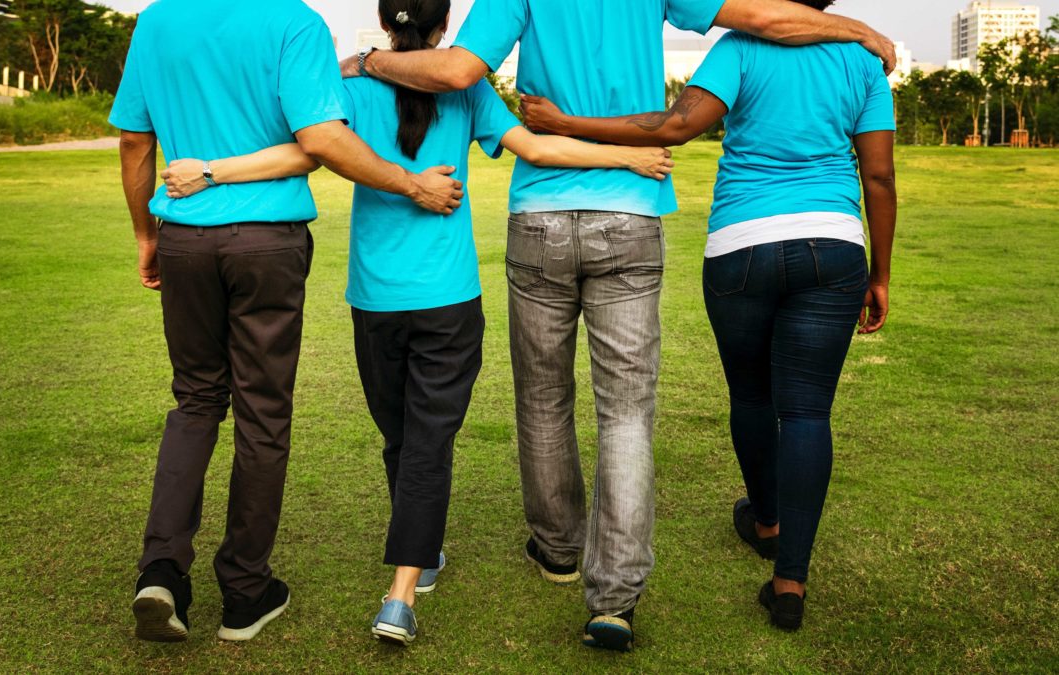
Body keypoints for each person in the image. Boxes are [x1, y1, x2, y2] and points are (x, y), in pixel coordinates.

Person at [340, 0, 896, 652]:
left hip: (541, 217)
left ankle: (557, 549)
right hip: (630, 217)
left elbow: (460, 68)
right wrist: (855, 27)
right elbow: (767, 19)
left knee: (543, 398)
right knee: (627, 413)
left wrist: (373, 59)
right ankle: (615, 597)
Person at [158, 0, 673, 647]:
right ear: (442, 30)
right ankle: (405, 584)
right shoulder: (470, 92)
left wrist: (210, 171)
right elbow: (535, 147)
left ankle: (417, 564)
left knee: (402, 436)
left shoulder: (352, 86)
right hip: (448, 297)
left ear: (385, 22)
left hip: (375, 299)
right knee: (424, 442)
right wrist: (627, 160)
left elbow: (305, 146)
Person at [520, 0, 897, 632]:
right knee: (807, 411)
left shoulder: (740, 49)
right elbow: (879, 176)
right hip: (834, 243)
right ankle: (789, 581)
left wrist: (567, 122)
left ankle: (767, 521)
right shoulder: (863, 61)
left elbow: (672, 127)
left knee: (752, 396)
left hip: (741, 245)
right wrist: (880, 273)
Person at [111, 0, 464, 644]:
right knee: (262, 413)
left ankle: (161, 570)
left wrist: (144, 233)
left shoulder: (157, 20)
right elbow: (320, 141)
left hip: (184, 237)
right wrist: (411, 184)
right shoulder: (294, 22)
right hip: (267, 242)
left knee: (194, 403)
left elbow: (135, 139)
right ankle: (246, 593)